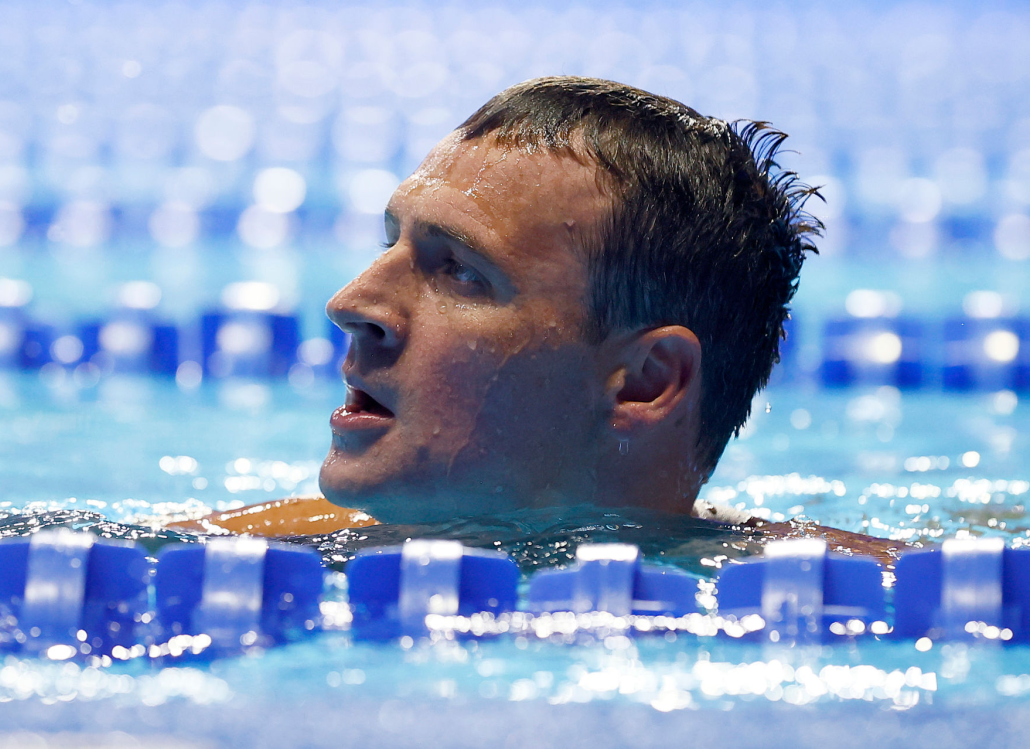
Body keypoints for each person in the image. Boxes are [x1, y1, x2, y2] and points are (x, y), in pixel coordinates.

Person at [171, 76, 903, 563]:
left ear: (645, 383)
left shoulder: (860, 599)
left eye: (460, 269)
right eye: (390, 241)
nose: (351, 304)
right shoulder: (230, 558)